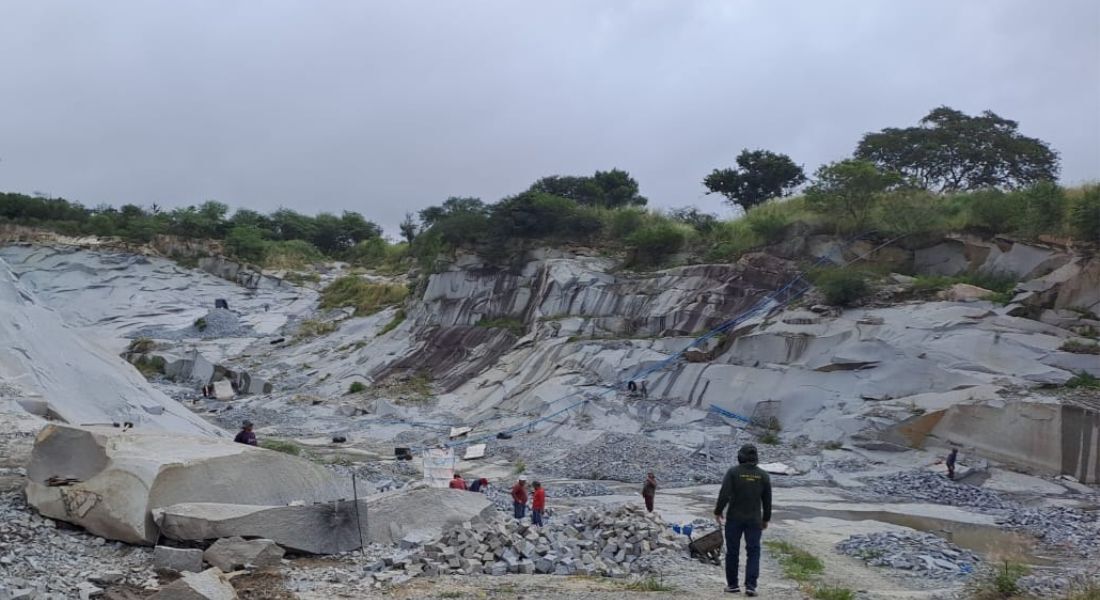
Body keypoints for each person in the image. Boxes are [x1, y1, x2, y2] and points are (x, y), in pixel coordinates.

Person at [714, 444, 772, 597]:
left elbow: (724, 494)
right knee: (753, 551)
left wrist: (718, 511)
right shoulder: (764, 475)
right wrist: (766, 519)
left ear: (740, 457)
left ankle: (732, 585)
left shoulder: (733, 472)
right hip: (754, 520)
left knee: (732, 551)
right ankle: (751, 586)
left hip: (734, 518)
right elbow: (767, 501)